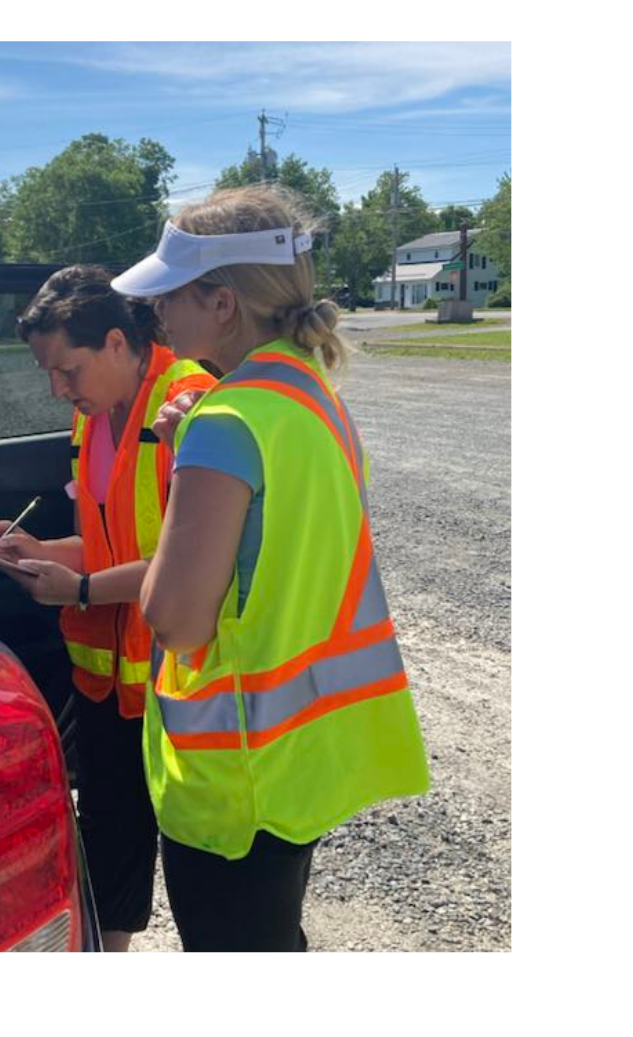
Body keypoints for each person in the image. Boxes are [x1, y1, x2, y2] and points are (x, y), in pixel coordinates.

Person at [111, 186, 430, 952]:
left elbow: (176, 620)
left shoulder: (223, 422)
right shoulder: (309, 393)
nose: (155, 312)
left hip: (234, 779)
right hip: (300, 760)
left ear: (223, 303)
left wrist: (185, 464)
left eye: (170, 294)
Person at [0, 264, 216, 952]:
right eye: (49, 374)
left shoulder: (188, 405)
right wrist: (39, 549)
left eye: (68, 371)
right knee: (110, 827)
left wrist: (77, 591)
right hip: (109, 680)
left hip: (179, 677)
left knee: (204, 859)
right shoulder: (96, 418)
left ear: (117, 342)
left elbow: (192, 561)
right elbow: (113, 542)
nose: (58, 390)